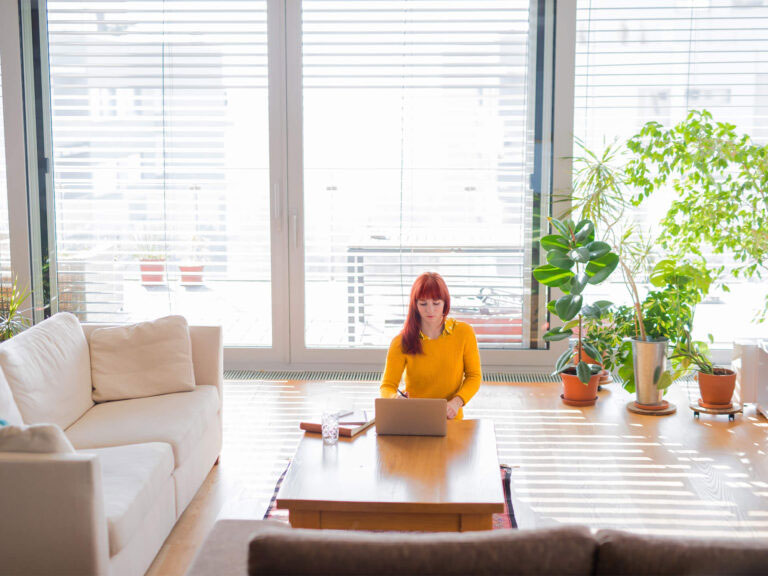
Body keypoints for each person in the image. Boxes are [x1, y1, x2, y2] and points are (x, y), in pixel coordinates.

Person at [380, 272, 482, 420]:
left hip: (451, 419)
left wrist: (457, 402)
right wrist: (395, 399)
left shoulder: (464, 333)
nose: (430, 310)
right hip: (413, 417)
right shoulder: (400, 342)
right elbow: (387, 386)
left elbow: (474, 376)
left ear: (445, 303)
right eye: (423, 304)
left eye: (436, 303)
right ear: (415, 305)